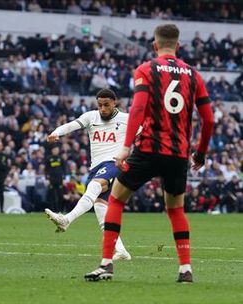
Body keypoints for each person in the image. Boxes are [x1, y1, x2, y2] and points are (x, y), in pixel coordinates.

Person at [84, 24, 214, 283]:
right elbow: (209, 120)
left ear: (155, 45)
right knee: (176, 210)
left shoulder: (146, 69)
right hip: (178, 154)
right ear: (178, 46)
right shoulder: (193, 74)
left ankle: (107, 264)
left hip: (148, 149)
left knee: (117, 199)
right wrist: (200, 153)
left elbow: (139, 109)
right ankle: (185, 269)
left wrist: (125, 146)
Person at [45, 89, 131, 261]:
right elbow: (71, 125)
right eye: (100, 105)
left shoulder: (126, 119)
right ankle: (121, 251)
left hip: (115, 163)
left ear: (115, 103)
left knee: (94, 185)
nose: (103, 109)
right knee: (100, 208)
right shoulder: (91, 117)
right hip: (96, 166)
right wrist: (56, 132)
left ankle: (66, 219)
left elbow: (146, 132)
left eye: (107, 105)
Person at [45, 146, 65, 212]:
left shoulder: (60, 158)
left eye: (57, 150)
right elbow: (46, 169)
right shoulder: (49, 159)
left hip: (59, 180)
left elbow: (64, 168)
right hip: (51, 180)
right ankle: (52, 210)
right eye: (55, 150)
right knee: (52, 195)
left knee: (60, 195)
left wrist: (64, 178)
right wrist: (47, 179)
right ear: (52, 150)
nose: (56, 151)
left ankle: (60, 210)